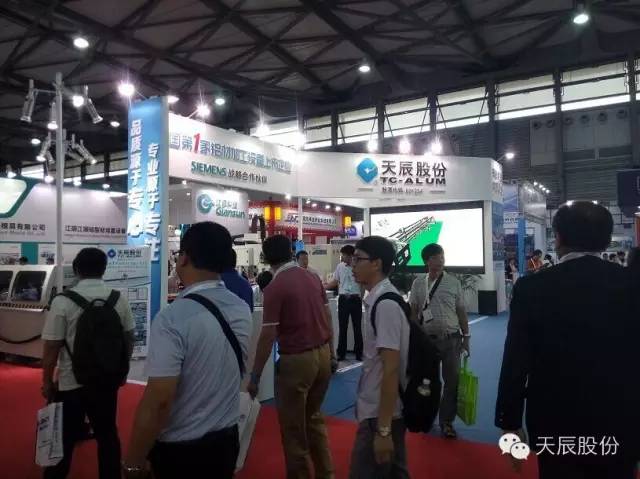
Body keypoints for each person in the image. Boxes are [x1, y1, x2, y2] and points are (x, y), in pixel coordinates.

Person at [496, 201, 640, 479]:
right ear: (606, 240)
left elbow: (516, 361)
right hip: (621, 419)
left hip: (555, 421)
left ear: (558, 238)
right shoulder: (632, 284)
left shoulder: (531, 288)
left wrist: (509, 422)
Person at [123, 222, 252, 479]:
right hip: (226, 441)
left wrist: (133, 463)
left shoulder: (172, 318)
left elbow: (159, 400)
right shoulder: (240, 308)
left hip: (181, 452)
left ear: (183, 258)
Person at [41, 247, 135, 479]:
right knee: (107, 435)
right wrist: (123, 370)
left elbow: (52, 346)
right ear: (104, 269)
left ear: (76, 270)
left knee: (64, 437)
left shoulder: (63, 301)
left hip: (71, 382)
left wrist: (47, 381)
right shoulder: (118, 298)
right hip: (106, 380)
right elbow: (129, 337)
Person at [248, 235, 335, 479]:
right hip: (322, 354)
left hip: (296, 361)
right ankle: (326, 474)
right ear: (290, 252)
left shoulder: (275, 287)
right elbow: (327, 317)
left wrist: (255, 376)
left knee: (293, 429)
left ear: (266, 258)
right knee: (314, 419)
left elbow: (268, 336)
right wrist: (332, 352)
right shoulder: (312, 277)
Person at [349, 236, 410, 478]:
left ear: (376, 263)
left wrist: (383, 430)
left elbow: (391, 368)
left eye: (358, 259)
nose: (352, 265)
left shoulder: (385, 305)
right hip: (380, 410)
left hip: (381, 413)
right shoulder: (377, 299)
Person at [408, 243, 470, 439]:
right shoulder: (418, 283)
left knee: (452, 382)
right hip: (427, 342)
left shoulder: (453, 283)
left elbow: (461, 311)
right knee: (427, 382)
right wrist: (415, 338)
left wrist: (467, 338)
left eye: (442, 256)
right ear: (427, 261)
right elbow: (413, 312)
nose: (441, 260)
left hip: (451, 339)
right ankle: (426, 417)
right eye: (436, 257)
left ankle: (446, 422)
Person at [325, 245, 363, 361]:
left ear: (350, 256)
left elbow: (362, 283)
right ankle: (341, 353)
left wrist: (361, 297)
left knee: (357, 327)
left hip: (355, 299)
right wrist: (323, 287)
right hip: (343, 299)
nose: (342, 257)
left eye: (344, 255)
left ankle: (359, 353)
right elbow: (335, 281)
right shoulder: (340, 266)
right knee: (343, 327)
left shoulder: (358, 266)